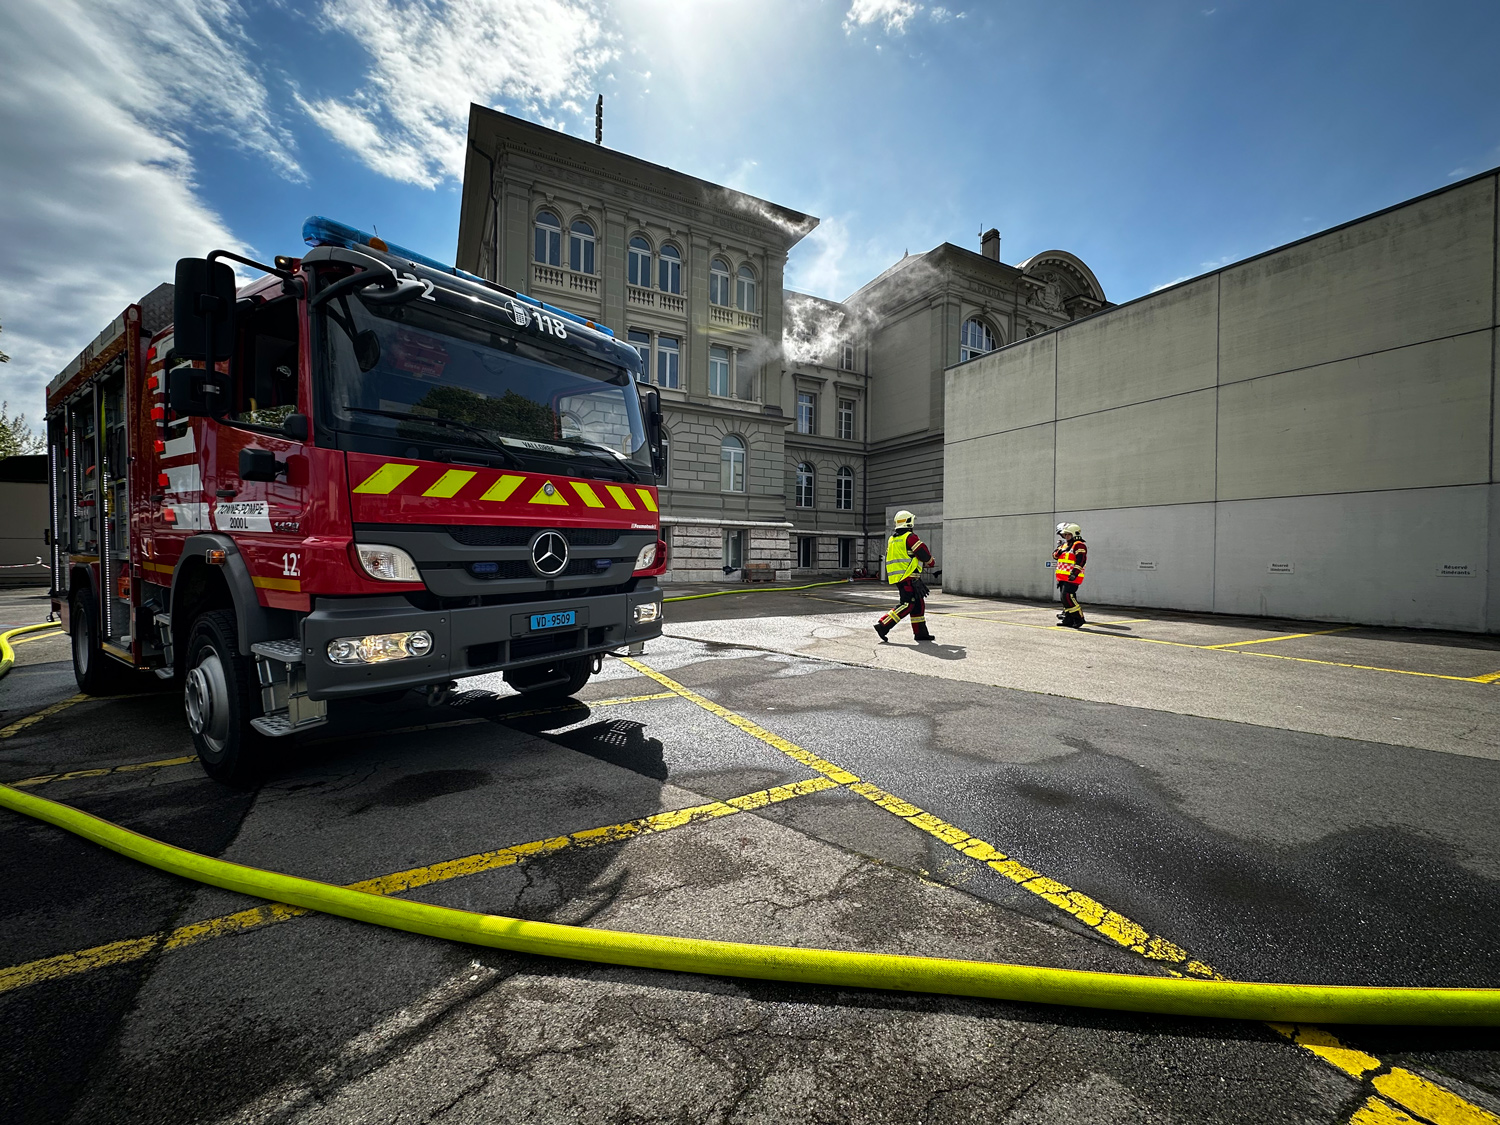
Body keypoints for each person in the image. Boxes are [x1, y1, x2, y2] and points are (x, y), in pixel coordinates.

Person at [875, 510, 937, 642]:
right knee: (907, 604)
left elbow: (905, 557)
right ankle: (883, 625)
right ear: (909, 522)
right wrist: (930, 562)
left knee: (918, 605)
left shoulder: (892, 540)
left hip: (902, 578)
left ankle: (921, 633)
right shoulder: (910, 537)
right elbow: (923, 553)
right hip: (908, 578)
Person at [1053, 522, 1087, 628]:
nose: (1066, 536)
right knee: (1065, 599)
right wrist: (1059, 549)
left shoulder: (1079, 545)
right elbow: (1055, 556)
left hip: (1072, 577)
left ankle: (1079, 619)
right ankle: (1068, 620)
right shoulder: (1065, 545)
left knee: (1068, 598)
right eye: (1065, 534)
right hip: (1062, 577)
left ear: (1074, 534)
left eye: (1068, 534)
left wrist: (1074, 573)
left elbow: (1081, 560)